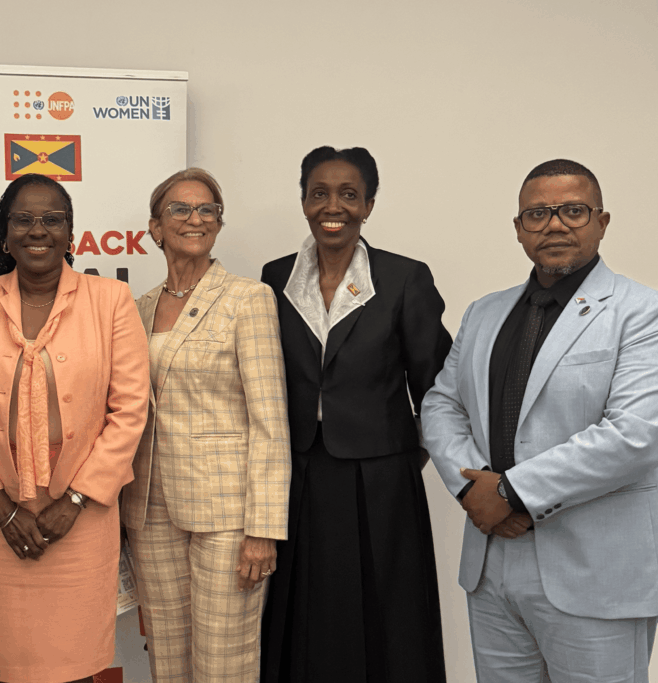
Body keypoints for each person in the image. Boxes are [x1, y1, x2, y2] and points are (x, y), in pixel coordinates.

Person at [423, 159, 658, 681]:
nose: (554, 224)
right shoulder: (484, 312)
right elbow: (441, 404)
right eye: (537, 214)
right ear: (518, 229)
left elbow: (635, 434)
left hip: (596, 572)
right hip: (492, 564)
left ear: (602, 220)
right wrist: (472, 491)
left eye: (573, 210)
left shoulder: (641, 311)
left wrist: (509, 492)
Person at [0, 173, 149, 683]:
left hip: (82, 515)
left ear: (71, 233)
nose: (39, 231)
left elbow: (130, 410)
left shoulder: (111, 301)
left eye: (52, 219)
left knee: (72, 663)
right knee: (4, 665)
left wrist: (75, 501)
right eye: (24, 220)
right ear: (5, 234)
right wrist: (2, 507)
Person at [259, 146, 451, 683]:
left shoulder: (405, 278)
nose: (333, 205)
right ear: (303, 202)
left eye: (348, 194)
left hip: (382, 479)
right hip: (297, 472)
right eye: (319, 193)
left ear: (368, 204)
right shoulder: (275, 279)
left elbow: (437, 384)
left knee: (387, 611)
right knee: (302, 609)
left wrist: (409, 454)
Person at [121, 167, 291, 683]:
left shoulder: (249, 298)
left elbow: (270, 419)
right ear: (154, 227)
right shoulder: (137, 308)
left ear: (218, 224)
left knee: (223, 663)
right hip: (149, 509)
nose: (195, 219)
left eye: (207, 211)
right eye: (180, 209)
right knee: (168, 662)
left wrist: (263, 529)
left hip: (227, 514)